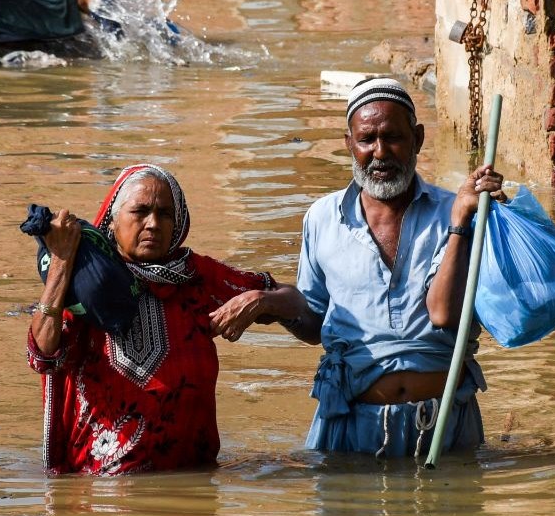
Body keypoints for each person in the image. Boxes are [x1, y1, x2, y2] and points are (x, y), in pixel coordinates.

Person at [27, 165, 309, 475]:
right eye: (140, 211)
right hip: (103, 492)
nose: (153, 224)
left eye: (164, 214)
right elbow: (42, 356)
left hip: (194, 482)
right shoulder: (87, 283)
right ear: (113, 219)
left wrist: (260, 300)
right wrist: (61, 263)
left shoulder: (196, 277)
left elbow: (294, 300)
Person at [279, 78, 505, 458]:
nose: (380, 152)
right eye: (367, 140)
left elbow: (447, 314)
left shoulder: (460, 210)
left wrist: (472, 219)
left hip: (445, 428)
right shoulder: (322, 218)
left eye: (394, 138)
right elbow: (315, 325)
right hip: (350, 431)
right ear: (349, 144)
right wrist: (274, 306)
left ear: (417, 139)